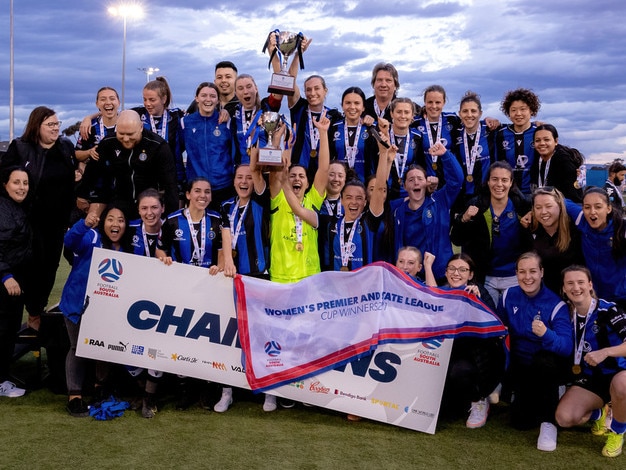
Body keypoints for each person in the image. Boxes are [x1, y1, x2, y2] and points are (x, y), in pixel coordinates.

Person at [157, 177, 236, 412]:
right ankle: (185, 390)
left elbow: (223, 252)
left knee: (209, 337)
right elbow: (160, 249)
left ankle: (208, 389)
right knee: (183, 337)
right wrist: (164, 259)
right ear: (188, 194)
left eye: (208, 192)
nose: (203, 195)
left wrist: (219, 267)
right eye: (198, 191)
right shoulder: (171, 221)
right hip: (182, 288)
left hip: (209, 287)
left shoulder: (216, 219)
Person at [0, 106, 76, 333]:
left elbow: (70, 183)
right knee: (26, 269)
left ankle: (36, 312)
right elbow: (6, 180)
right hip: (26, 222)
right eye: (50, 125)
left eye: (57, 124)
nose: (56, 129)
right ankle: (22, 318)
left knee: (48, 269)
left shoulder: (65, 147)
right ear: (37, 126)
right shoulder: (21, 148)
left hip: (55, 223)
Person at [60, 204, 132, 417]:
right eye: (110, 219)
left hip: (109, 309)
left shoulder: (129, 249)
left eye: (120, 220)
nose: (115, 224)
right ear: (103, 222)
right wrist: (83, 224)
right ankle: (74, 397)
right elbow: (69, 241)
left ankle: (100, 389)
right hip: (77, 303)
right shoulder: (91, 236)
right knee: (77, 348)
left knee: (104, 348)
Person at [497, 252, 572, 451]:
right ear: (516, 273)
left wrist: (546, 334)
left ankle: (549, 422)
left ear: (542, 272)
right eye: (522, 272)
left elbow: (566, 347)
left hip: (544, 365)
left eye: (532, 271)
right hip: (519, 364)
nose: (527, 277)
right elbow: (498, 328)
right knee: (520, 422)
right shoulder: (507, 296)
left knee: (544, 362)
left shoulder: (556, 304)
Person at [424, 252, 503, 429]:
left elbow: (494, 329)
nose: (456, 273)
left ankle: (479, 398)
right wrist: (428, 265)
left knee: (458, 371)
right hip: (445, 355)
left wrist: (477, 302)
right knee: (443, 412)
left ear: (471, 275)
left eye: (462, 269)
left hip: (475, 359)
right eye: (452, 268)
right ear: (445, 272)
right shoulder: (443, 289)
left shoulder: (478, 292)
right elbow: (431, 298)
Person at [555, 265, 626, 458]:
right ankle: (598, 413)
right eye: (570, 283)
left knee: (623, 385)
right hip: (590, 378)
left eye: (580, 282)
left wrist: (606, 352)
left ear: (590, 285)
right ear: (563, 288)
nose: (575, 288)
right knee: (564, 418)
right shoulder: (564, 313)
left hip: (617, 374)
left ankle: (617, 432)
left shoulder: (608, 310)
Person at [451, 161, 531, 304]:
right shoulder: (476, 205)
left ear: (511, 183)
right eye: (494, 179)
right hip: (485, 278)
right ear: (487, 181)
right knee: (489, 321)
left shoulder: (522, 206)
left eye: (504, 180)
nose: (499, 184)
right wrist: (463, 219)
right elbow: (456, 239)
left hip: (514, 277)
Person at [77, 109, 179, 217]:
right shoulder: (108, 142)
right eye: (121, 133)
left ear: (140, 128)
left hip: (148, 204)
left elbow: (170, 184)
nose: (125, 139)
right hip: (119, 201)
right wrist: (82, 194)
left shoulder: (158, 146)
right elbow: (93, 170)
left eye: (130, 134)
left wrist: (170, 217)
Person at [268, 112, 330, 284]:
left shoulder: (313, 200)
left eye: (301, 176)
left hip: (309, 277)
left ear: (308, 183)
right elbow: (274, 171)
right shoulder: (278, 197)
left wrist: (323, 133)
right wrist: (276, 138)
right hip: (281, 277)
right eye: (292, 176)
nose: (296, 179)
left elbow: (324, 170)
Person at [391, 139, 463, 281]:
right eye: (411, 180)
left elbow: (457, 181)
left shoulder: (439, 201)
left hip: (440, 275)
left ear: (426, 183)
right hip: (411, 276)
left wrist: (445, 155)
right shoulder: (396, 208)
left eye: (419, 179)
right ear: (405, 187)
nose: (416, 182)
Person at [319, 138, 392, 272]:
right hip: (337, 287)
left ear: (365, 202)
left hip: (362, 288)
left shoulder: (369, 222)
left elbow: (380, 189)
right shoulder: (331, 223)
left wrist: (383, 154)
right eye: (349, 197)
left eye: (359, 198)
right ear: (341, 200)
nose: (354, 202)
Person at [126, 189, 165, 418]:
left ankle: (149, 399)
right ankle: (143, 391)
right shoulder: (129, 229)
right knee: (129, 353)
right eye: (144, 208)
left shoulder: (171, 228)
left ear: (162, 208)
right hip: (133, 302)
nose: (149, 213)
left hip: (163, 302)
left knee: (156, 352)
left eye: (154, 208)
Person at [566, 187, 626, 308]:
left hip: (620, 298)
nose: (592, 212)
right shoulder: (581, 219)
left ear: (608, 208)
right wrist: (531, 213)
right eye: (587, 207)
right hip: (592, 297)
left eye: (598, 207)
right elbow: (559, 200)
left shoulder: (622, 228)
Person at [0, 166, 31, 398]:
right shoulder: (2, 208)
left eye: (25, 183)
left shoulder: (18, 207)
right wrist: (5, 276)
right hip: (5, 282)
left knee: (9, 331)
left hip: (14, 282)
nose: (22, 187)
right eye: (16, 182)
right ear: (5, 184)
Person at [181, 82, 236, 209]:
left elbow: (233, 153)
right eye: (204, 95)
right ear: (197, 98)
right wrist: (182, 182)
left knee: (223, 227)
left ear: (218, 100)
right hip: (197, 188)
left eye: (212, 96)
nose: (208, 99)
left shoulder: (226, 122)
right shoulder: (185, 123)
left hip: (223, 186)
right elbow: (178, 154)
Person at [525, 186, 584, 293]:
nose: (543, 212)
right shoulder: (531, 229)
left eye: (549, 206)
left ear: (560, 206)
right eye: (538, 207)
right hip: (542, 294)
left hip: (572, 293)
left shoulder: (575, 231)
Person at [372, 98, 427, 201]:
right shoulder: (382, 135)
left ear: (412, 116)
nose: (402, 116)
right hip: (384, 193)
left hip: (409, 195)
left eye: (406, 112)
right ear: (392, 114)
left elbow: (421, 166)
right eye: (398, 112)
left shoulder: (418, 137)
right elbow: (372, 165)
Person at [451, 91, 495, 216]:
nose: (469, 115)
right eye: (465, 111)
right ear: (460, 114)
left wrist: (538, 124)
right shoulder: (455, 134)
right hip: (461, 194)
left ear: (480, 113)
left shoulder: (491, 132)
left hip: (485, 195)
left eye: (473, 111)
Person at [492, 88, 541, 194]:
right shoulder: (501, 134)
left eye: (523, 109)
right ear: (508, 113)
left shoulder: (539, 132)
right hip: (508, 192)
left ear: (531, 111)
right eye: (513, 110)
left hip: (534, 192)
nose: (518, 113)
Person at [411, 85, 461, 182]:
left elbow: (471, 124)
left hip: (449, 181)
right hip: (425, 182)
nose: (434, 106)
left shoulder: (453, 119)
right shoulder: (415, 123)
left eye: (438, 102)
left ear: (444, 103)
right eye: (430, 102)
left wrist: (489, 120)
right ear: (425, 102)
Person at [330, 87, 374, 182]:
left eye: (357, 103)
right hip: (338, 184)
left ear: (363, 107)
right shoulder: (333, 128)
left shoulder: (372, 128)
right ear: (342, 106)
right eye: (348, 103)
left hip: (365, 185)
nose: (352, 107)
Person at [530, 124, 583, 202]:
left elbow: (573, 198)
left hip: (566, 207)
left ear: (556, 141)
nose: (542, 143)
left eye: (546, 140)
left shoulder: (565, 162)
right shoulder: (536, 160)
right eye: (537, 140)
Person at [74, 87, 120, 167]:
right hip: (97, 177)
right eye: (103, 99)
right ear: (97, 104)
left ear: (119, 102)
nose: (108, 102)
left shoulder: (128, 124)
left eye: (112, 99)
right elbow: (77, 154)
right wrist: (89, 152)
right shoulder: (89, 127)